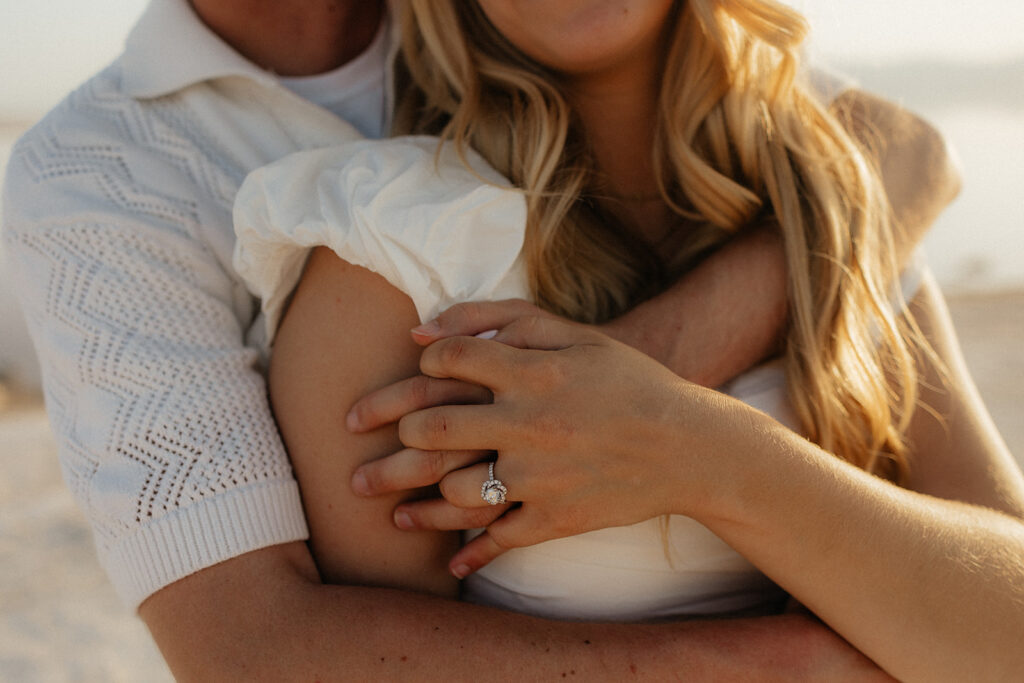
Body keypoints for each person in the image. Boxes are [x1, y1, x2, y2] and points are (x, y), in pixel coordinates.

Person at [1, 0, 958, 679]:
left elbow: (896, 151)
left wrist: (658, 371)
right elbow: (246, 647)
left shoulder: (532, 29)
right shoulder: (96, 171)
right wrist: (779, 666)